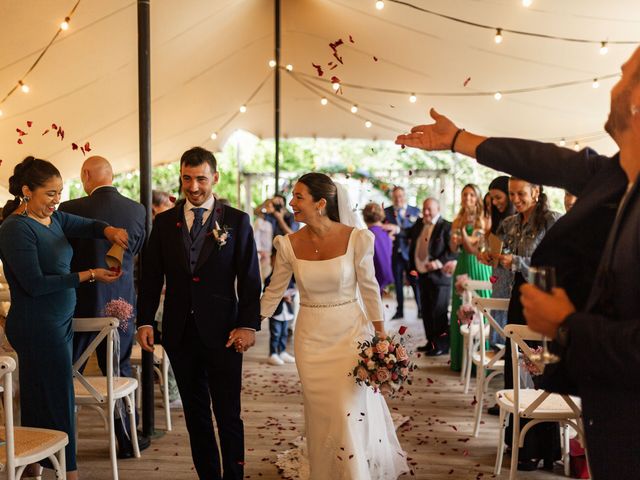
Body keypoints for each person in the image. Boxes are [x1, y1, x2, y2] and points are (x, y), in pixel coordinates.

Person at [393, 45, 638, 475]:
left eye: (624, 73)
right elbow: (542, 158)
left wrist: (566, 324)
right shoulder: (618, 178)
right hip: (612, 420)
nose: (615, 78)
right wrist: (456, 140)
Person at [260, 173, 409, 479]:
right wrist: (250, 324)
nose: (291, 203)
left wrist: (381, 334)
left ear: (321, 203)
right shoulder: (287, 244)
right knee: (321, 412)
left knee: (346, 408)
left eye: (299, 197)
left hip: (350, 335)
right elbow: (274, 291)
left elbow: (369, 289)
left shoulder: (357, 238)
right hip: (310, 338)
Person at [136, 146, 261, 479]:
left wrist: (248, 326)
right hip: (179, 333)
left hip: (224, 333)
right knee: (195, 415)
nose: (193, 187)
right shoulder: (163, 223)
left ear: (215, 178)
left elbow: (250, 280)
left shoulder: (237, 221)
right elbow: (150, 278)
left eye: (201, 179)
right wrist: (145, 320)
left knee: (228, 414)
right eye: (187, 178)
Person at [0, 157, 127, 479]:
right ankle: (68, 472)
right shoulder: (15, 229)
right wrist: (89, 275)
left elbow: (86, 225)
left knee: (39, 398)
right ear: (27, 192)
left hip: (57, 323)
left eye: (60, 192)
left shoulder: (52, 218)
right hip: (37, 325)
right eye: (50, 194)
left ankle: (31, 466)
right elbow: (36, 285)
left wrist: (108, 230)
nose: (57, 200)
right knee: (58, 399)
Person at [58, 155, 148, 458]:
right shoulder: (137, 210)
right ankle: (125, 439)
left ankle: (61, 440)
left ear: (85, 175)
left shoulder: (69, 210)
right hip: (119, 303)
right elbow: (138, 254)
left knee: (70, 371)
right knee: (119, 369)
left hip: (78, 305)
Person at [481, 178, 562, 470]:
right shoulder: (510, 223)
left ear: (537, 192)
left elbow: (556, 267)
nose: (515, 199)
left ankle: (547, 448)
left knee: (540, 371)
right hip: (517, 297)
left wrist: (514, 262)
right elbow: (490, 246)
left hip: (543, 299)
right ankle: (520, 445)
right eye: (512, 194)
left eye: (521, 194)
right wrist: (488, 254)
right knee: (516, 372)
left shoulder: (553, 221)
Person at [447, 184, 492, 371]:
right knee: (461, 309)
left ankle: (482, 360)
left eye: (472, 195)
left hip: (479, 265)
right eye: (465, 194)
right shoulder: (457, 219)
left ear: (478, 197)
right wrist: (454, 238)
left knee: (481, 310)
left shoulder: (485, 219)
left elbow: (474, 247)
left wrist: (463, 233)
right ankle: (460, 360)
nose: (468, 198)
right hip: (463, 265)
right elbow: (453, 248)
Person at [409, 198, 457, 355]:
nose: (426, 212)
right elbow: (409, 239)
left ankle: (442, 346)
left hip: (440, 276)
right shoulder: (419, 224)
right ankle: (431, 342)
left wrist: (438, 263)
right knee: (427, 311)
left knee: (439, 312)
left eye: (429, 209)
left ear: (438, 208)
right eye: (424, 209)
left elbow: (453, 251)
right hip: (422, 275)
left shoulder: (447, 226)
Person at [487, 176, 516, 347]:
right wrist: (488, 256)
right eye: (493, 199)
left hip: (511, 282)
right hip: (498, 279)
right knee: (497, 334)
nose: (495, 202)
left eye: (499, 197)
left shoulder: (518, 221)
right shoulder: (499, 222)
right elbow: (495, 250)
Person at [384, 186, 421, 320]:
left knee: (415, 281)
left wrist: (397, 229)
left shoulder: (415, 211)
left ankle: (421, 310)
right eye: (395, 197)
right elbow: (381, 229)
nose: (398, 199)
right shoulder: (386, 212)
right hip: (394, 253)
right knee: (397, 283)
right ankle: (399, 311)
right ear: (392, 198)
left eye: (400, 196)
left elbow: (417, 231)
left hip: (410, 254)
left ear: (404, 196)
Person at [263, 273, 296, 366]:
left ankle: (282, 352)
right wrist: (281, 296)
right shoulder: (270, 278)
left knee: (284, 333)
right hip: (275, 311)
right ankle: (272, 354)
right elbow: (266, 293)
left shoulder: (289, 277)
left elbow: (292, 290)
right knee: (275, 334)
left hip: (286, 310)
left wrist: (290, 297)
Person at [362, 202, 394, 294]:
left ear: (365, 217)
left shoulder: (367, 234)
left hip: (373, 275)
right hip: (384, 272)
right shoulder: (386, 233)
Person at [254, 200, 274, 283]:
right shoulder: (259, 220)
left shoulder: (273, 220)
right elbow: (256, 235)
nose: (269, 208)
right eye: (267, 205)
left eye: (271, 205)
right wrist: (259, 250)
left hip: (270, 251)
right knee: (263, 275)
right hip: (262, 251)